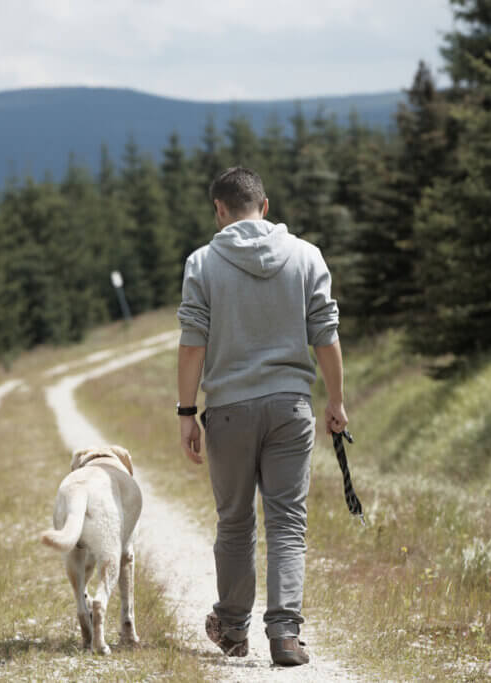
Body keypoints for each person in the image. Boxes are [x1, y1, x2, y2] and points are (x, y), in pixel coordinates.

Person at [176, 166, 347, 667]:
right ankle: (286, 635)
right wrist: (335, 401)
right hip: (291, 407)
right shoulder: (308, 256)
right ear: (265, 207)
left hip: (228, 410)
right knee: (288, 521)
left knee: (234, 522)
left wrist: (187, 412)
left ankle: (231, 628)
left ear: (220, 210)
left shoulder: (202, 263)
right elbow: (326, 335)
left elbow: (192, 346)